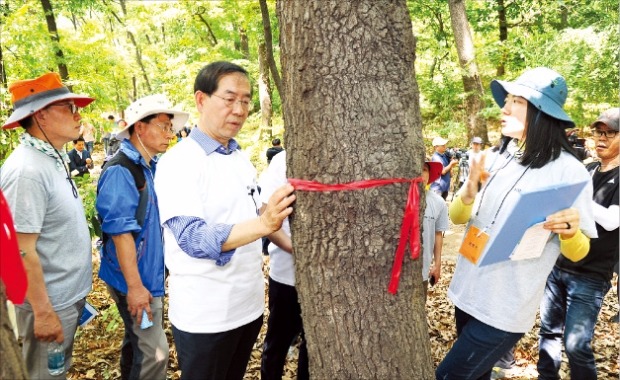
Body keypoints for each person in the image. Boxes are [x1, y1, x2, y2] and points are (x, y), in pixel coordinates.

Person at [435, 67, 597, 380]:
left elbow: (579, 252)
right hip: (466, 293)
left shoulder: (569, 172)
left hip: (503, 309)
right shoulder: (498, 157)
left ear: (540, 113)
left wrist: (571, 231)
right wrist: (469, 189)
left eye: (516, 102)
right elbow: (457, 218)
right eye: (506, 100)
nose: (504, 109)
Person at [154, 61, 295, 380]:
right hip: (206, 316)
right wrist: (264, 223)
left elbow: (253, 216)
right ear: (201, 100)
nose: (240, 109)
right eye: (229, 98)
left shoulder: (239, 158)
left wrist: (279, 232)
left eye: (246, 100)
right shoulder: (180, 162)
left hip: (247, 308)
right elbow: (191, 237)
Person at [0, 71, 95, 379]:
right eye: (69, 107)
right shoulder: (26, 170)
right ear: (40, 115)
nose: (77, 114)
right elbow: (20, 249)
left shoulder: (51, 157)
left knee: (58, 370)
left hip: (65, 298)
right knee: (46, 374)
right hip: (49, 304)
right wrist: (42, 312)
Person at [96, 94, 188, 380]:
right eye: (163, 126)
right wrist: (135, 288)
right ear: (139, 128)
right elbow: (121, 233)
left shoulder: (150, 166)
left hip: (148, 277)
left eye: (171, 127)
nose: (169, 134)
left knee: (138, 346)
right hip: (133, 280)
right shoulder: (122, 171)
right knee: (155, 352)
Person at [537, 107, 619, 380]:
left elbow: (610, 220)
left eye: (611, 133)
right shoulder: (589, 168)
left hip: (591, 275)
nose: (602, 138)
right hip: (558, 264)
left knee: (576, 345)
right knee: (548, 334)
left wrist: (575, 199)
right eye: (599, 132)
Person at [258, 150, 309, 380]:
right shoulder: (283, 161)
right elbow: (265, 213)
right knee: (278, 342)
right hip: (287, 275)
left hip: (326, 282)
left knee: (314, 345)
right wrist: (295, 249)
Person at [421, 160, 448, 295]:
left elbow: (438, 234)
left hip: (422, 272)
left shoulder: (438, 202)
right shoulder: (395, 199)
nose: (421, 173)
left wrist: (437, 264)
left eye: (425, 169)